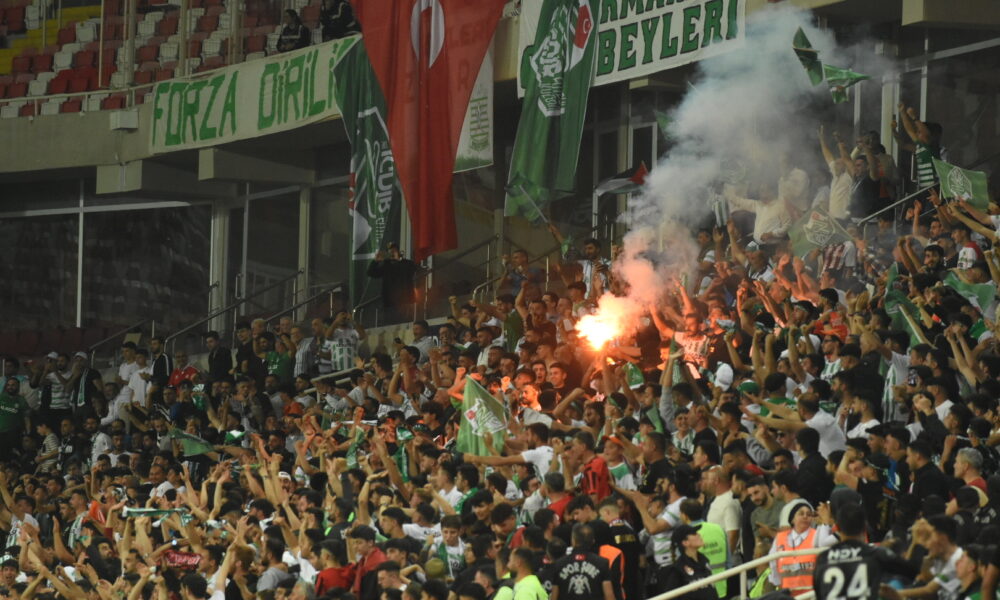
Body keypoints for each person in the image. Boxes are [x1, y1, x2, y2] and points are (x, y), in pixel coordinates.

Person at [367, 243, 421, 323]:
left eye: (394, 251)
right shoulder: (386, 265)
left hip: (406, 301)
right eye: (390, 252)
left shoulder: (407, 263)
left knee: (406, 322)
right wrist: (375, 261)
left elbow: (416, 270)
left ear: (398, 252)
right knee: (390, 322)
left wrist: (398, 259)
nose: (392, 253)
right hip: (390, 302)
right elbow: (371, 273)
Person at [661, 524, 717, 600]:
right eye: (694, 533)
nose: (699, 534)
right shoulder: (678, 568)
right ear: (685, 542)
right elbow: (669, 596)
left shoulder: (704, 560)